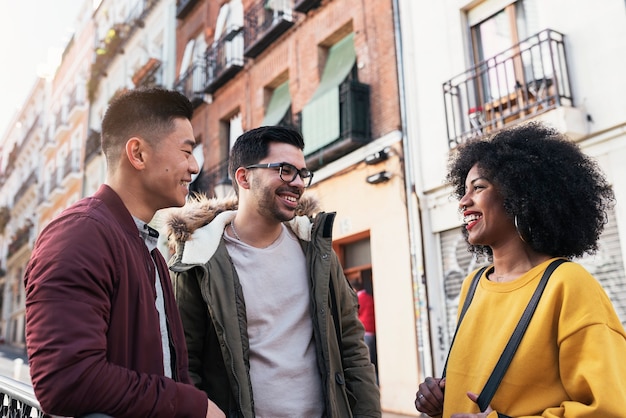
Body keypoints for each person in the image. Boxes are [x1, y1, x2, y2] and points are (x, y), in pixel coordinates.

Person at [24, 88, 224, 418]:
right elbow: (67, 381)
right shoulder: (80, 235)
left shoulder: (150, 251)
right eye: (187, 151)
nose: (194, 165)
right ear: (138, 154)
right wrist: (194, 406)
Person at [165, 125, 381, 417]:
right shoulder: (198, 259)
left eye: (302, 173)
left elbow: (352, 348)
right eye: (284, 169)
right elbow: (185, 367)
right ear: (243, 177)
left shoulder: (316, 250)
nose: (297, 183)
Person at [415, 122, 626, 417]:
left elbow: (609, 409)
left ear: (520, 196)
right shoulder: (473, 285)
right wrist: (441, 400)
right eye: (464, 191)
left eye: (478, 187)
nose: (463, 202)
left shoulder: (567, 284)